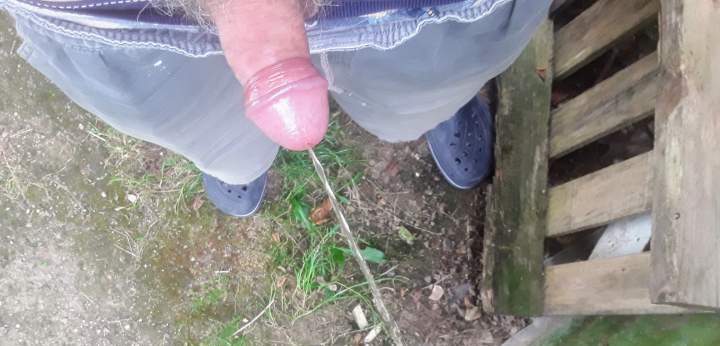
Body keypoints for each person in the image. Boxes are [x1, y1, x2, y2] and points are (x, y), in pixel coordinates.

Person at [0, 0, 550, 216]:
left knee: (421, 89)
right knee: (206, 128)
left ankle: (432, 108)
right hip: (122, 20)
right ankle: (231, 160)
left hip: (431, 5)